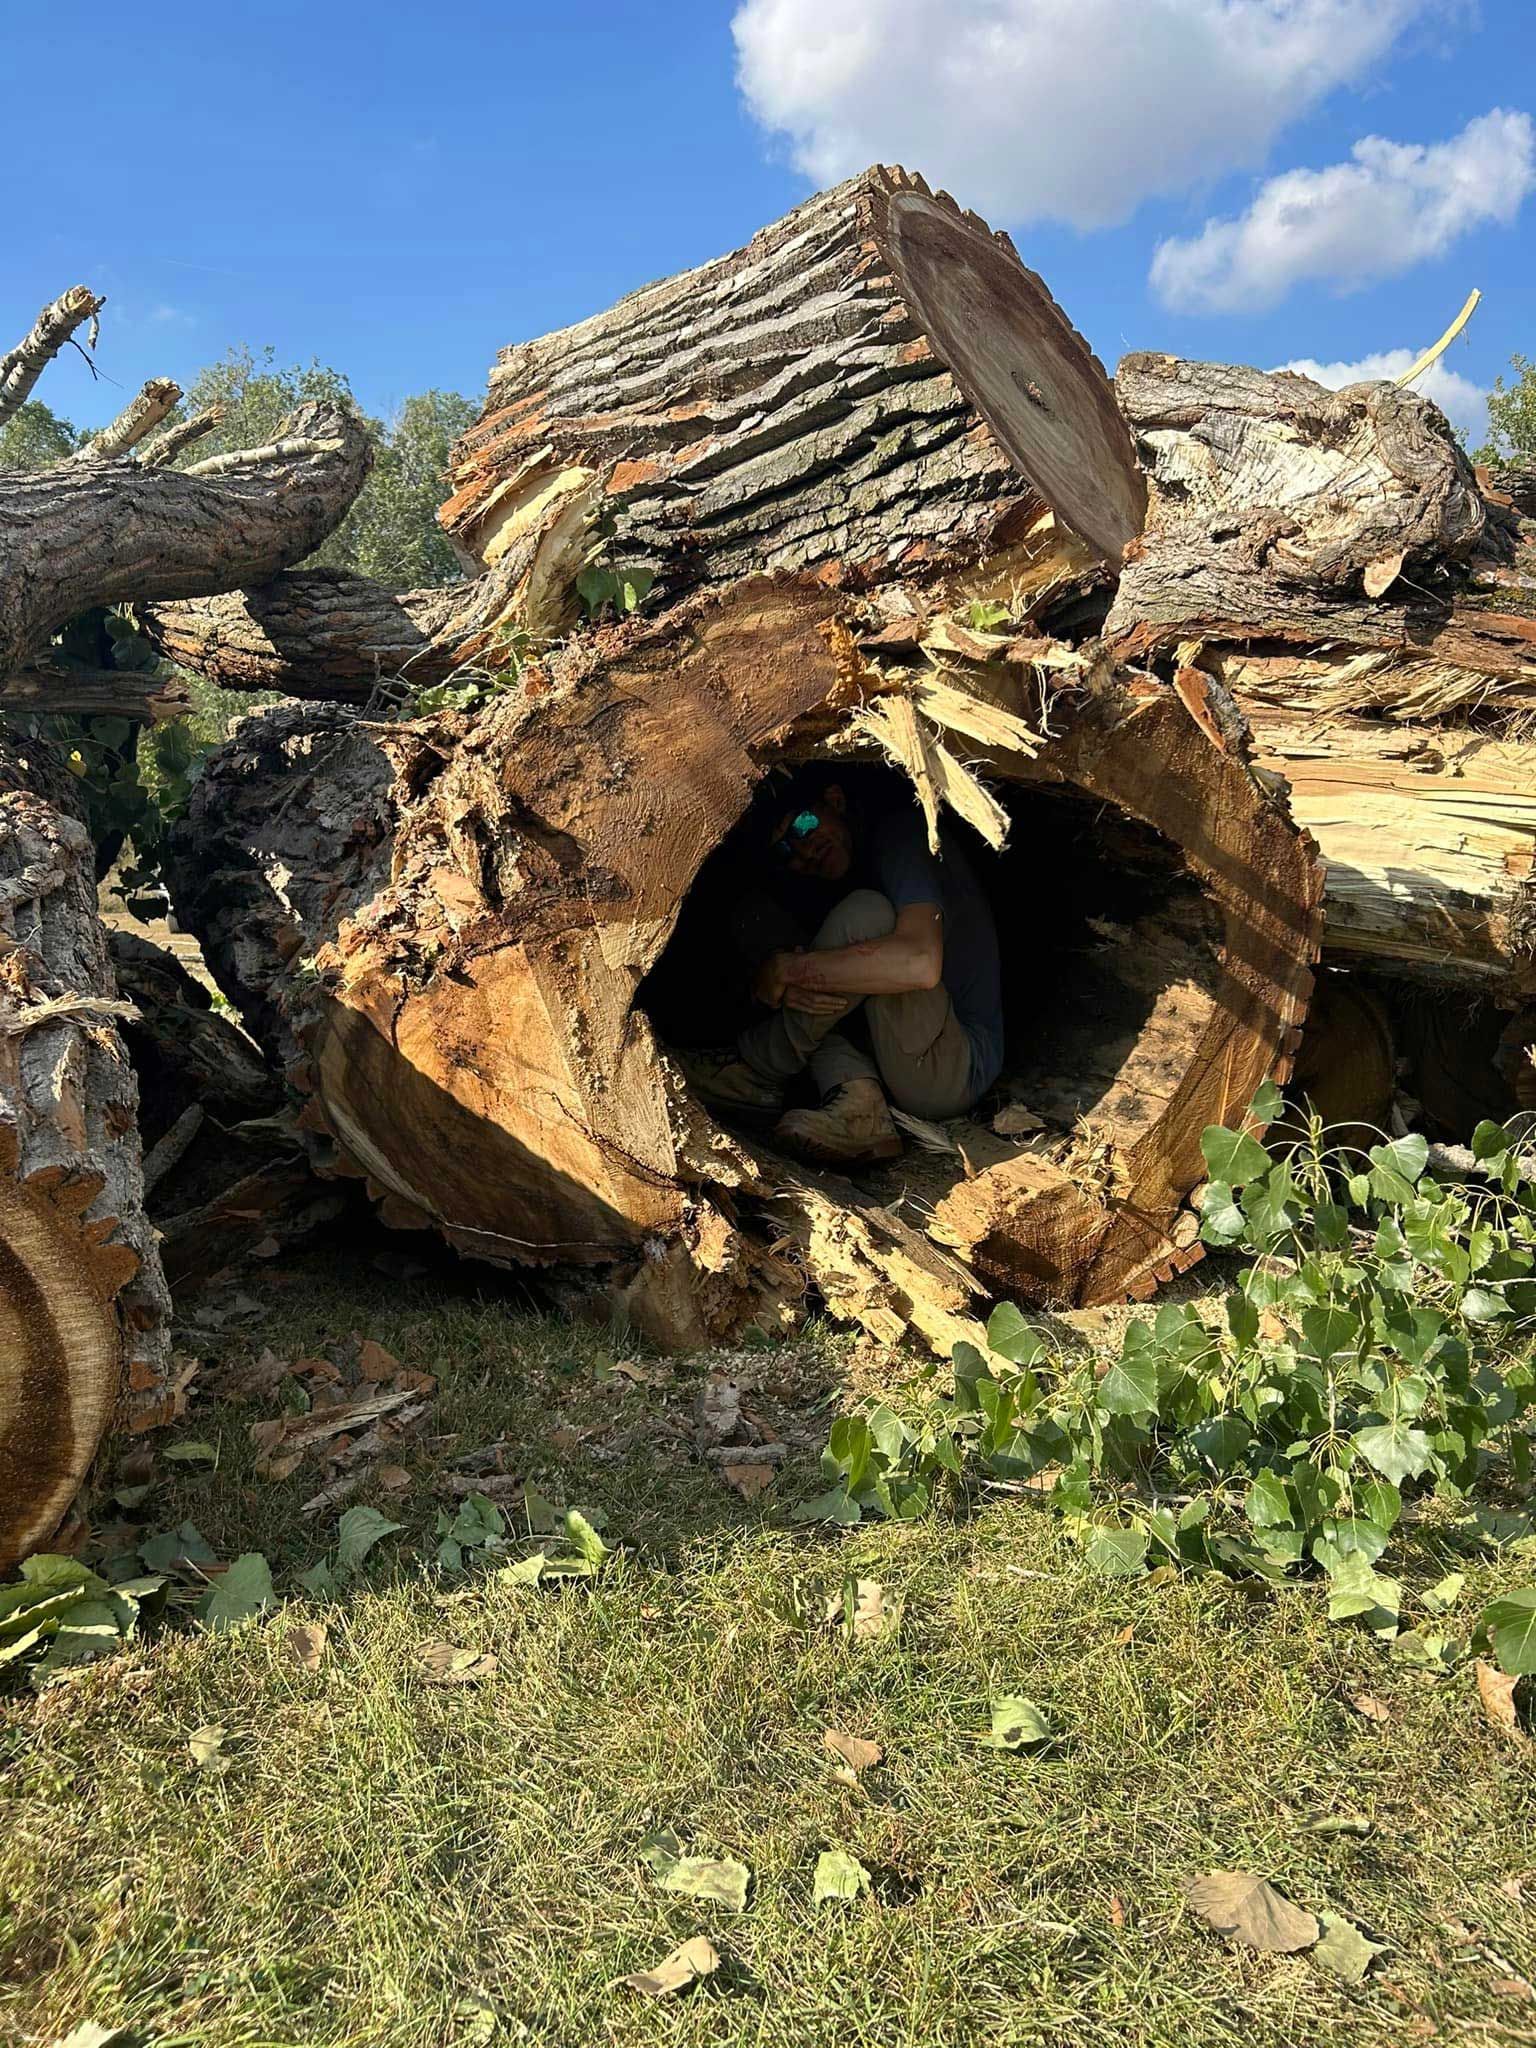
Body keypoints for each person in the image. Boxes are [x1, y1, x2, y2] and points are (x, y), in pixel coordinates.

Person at [685, 770, 1004, 1165]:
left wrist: (791, 972)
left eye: (803, 824)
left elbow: (920, 964)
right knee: (770, 926)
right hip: (897, 1050)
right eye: (786, 851)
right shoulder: (837, 874)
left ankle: (758, 1068)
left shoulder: (899, 834)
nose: (803, 849)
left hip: (950, 1068)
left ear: (835, 799)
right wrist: (790, 970)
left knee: (866, 916)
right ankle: (859, 1103)